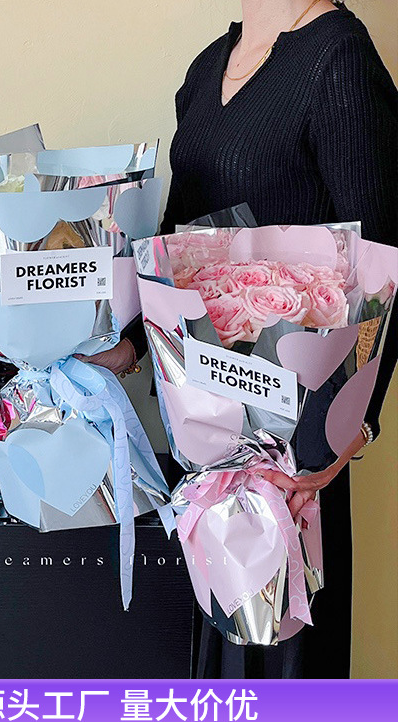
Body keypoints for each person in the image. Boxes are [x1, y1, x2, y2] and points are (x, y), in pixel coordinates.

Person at [83, 0, 398, 677]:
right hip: (208, 434)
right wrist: (127, 346)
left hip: (295, 455)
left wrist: (340, 438)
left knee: (283, 683)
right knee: (221, 678)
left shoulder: (339, 57)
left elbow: (385, 270)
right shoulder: (207, 68)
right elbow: (175, 247)